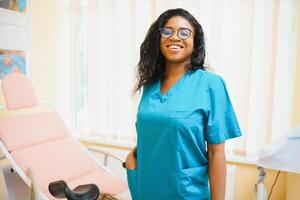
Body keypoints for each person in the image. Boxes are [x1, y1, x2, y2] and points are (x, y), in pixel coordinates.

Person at [125, 8, 241, 200]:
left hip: (186, 193)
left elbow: (216, 154)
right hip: (146, 190)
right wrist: (131, 160)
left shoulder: (211, 85)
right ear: (159, 39)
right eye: (167, 31)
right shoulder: (150, 86)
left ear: (195, 42)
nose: (175, 37)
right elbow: (151, 137)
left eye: (184, 32)